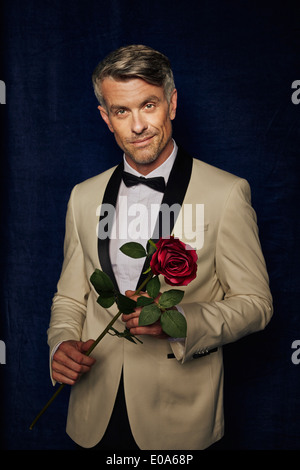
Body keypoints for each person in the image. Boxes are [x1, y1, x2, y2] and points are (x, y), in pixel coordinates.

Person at [48, 45, 273, 450]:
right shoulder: (83, 196)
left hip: (178, 416)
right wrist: (60, 343)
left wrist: (180, 321)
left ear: (171, 103)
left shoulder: (226, 193)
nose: (137, 126)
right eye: (121, 111)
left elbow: (257, 304)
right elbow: (70, 296)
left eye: (148, 105)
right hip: (91, 413)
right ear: (106, 118)